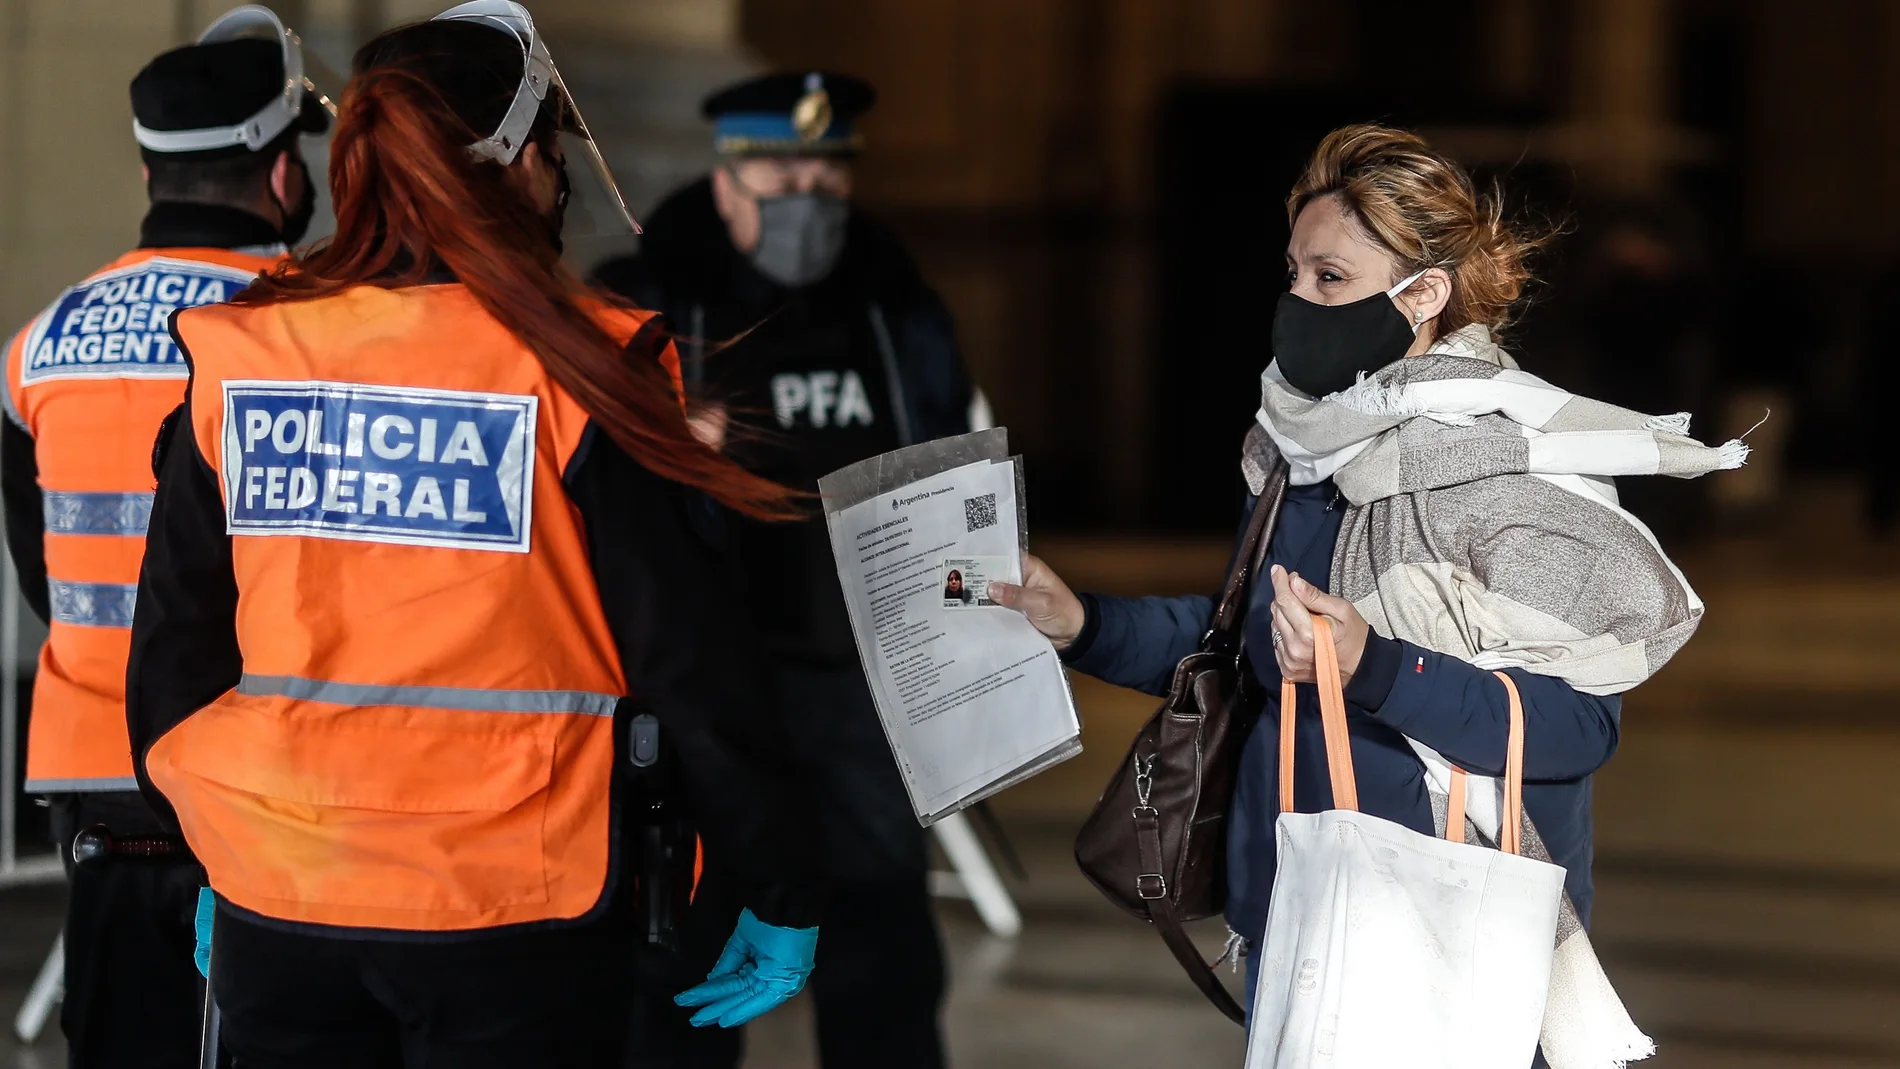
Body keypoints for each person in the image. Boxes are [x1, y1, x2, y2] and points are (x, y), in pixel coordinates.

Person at [124, 7, 823, 1067]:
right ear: (528, 164)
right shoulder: (578, 370)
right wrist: (776, 881)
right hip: (515, 904)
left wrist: (204, 854)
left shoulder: (244, 355)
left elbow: (174, 647)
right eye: (554, 156)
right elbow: (688, 659)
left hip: (282, 894)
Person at [991, 125, 1741, 1048]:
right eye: (1294, 272)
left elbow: (1579, 726)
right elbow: (1248, 642)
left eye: (1330, 278)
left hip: (1448, 932)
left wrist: (1377, 666)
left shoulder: (1516, 473)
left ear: (1423, 293)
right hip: (1296, 912)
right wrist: (1084, 624)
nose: (1297, 299)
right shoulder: (1296, 452)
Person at [594, 71, 971, 1069]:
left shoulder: (898, 305)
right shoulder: (645, 301)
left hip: (855, 681)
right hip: (699, 688)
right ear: (725, 180)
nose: (804, 187)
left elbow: (949, 465)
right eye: (778, 166)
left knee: (883, 961)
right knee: (684, 965)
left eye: (825, 167)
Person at [0, 8, 325, 1065]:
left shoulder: (40, 342)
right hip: (270, 783)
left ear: (150, 179)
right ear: (283, 177)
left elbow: (44, 571)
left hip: (98, 781)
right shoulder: (312, 332)